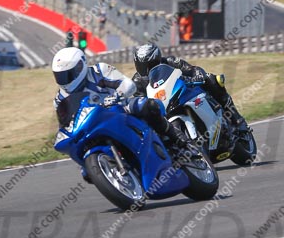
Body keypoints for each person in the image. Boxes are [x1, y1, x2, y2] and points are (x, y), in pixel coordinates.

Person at [51, 47, 198, 180]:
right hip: (91, 124)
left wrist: (116, 96)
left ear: (80, 67)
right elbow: (65, 122)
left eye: (68, 75)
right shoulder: (60, 99)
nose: (65, 80)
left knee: (147, 106)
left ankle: (180, 141)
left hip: (119, 107)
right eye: (60, 76)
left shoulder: (98, 71)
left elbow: (128, 85)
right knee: (87, 173)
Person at [132, 42, 249, 131]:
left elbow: (191, 69)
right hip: (163, 108)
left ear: (157, 59)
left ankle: (236, 117)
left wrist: (197, 74)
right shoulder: (137, 81)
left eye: (149, 64)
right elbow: (140, 101)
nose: (146, 69)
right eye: (141, 65)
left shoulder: (170, 61)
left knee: (212, 79)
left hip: (182, 92)